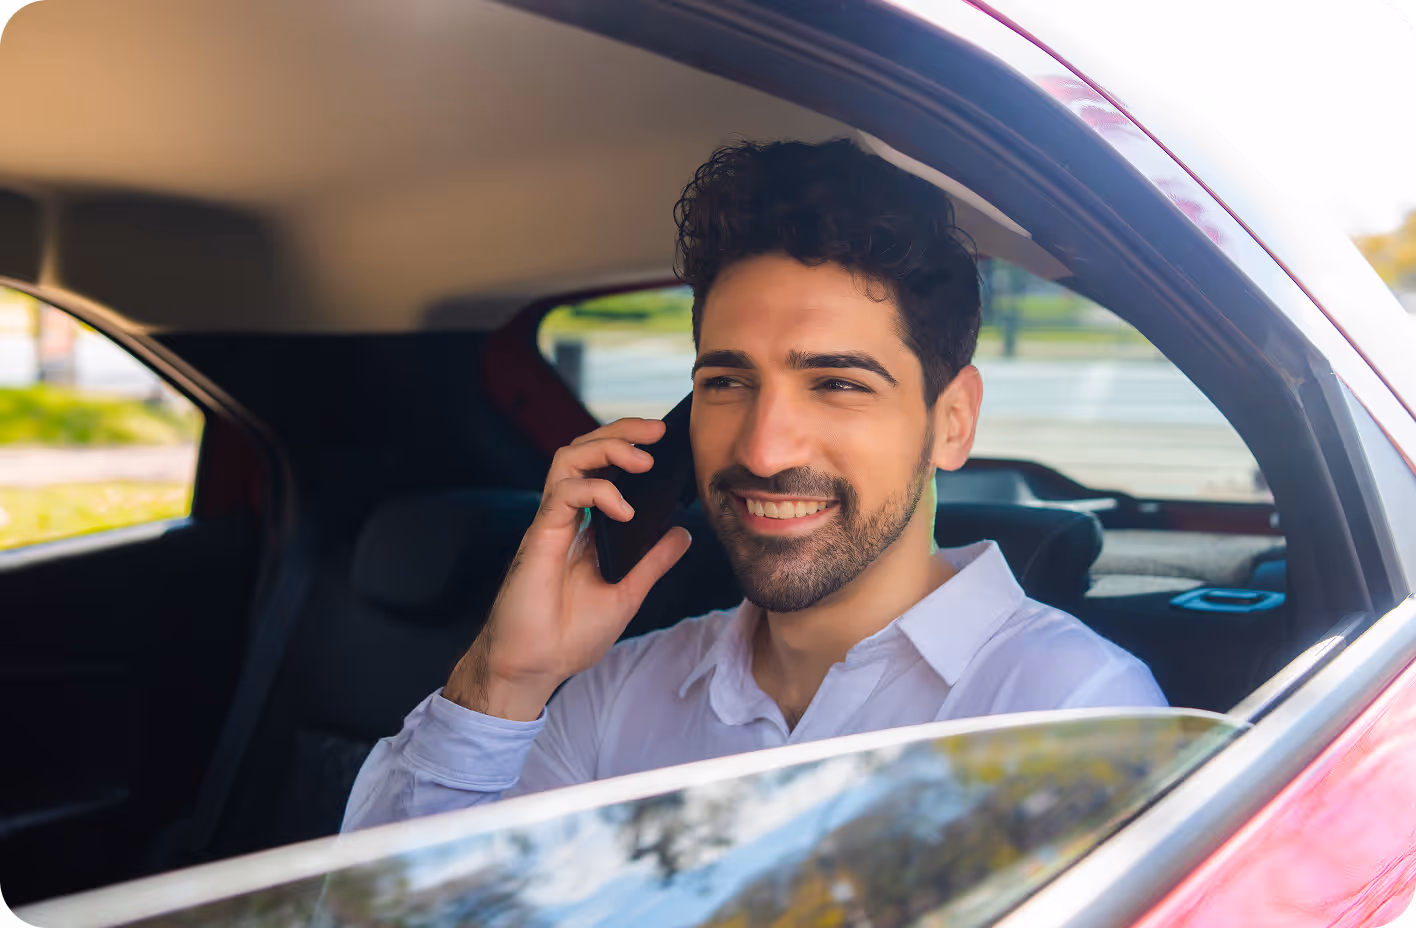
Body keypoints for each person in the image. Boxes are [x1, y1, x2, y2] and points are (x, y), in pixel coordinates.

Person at [342, 139, 1165, 832]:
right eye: (727, 383)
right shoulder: (614, 696)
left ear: (952, 421)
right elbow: (367, 917)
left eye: (838, 384)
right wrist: (505, 680)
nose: (765, 450)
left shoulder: (1077, 713)